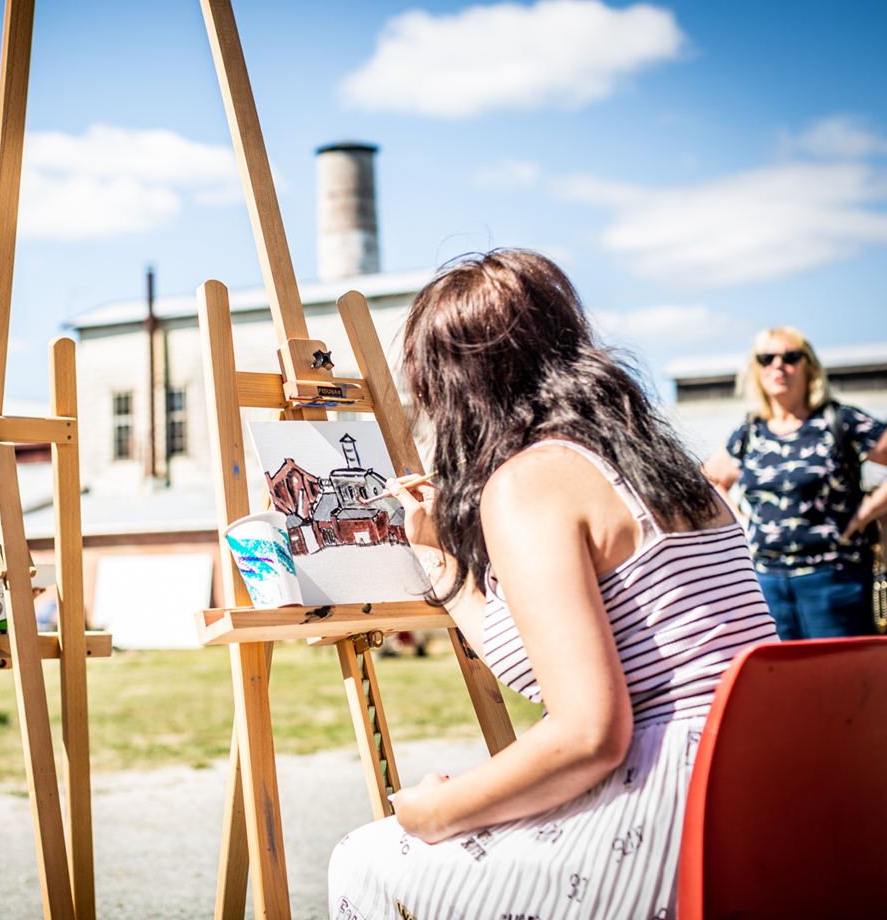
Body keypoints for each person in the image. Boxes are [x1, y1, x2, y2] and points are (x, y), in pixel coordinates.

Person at [328, 251, 778, 920]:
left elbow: (590, 734)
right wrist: (439, 563)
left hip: (675, 808)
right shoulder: (657, 466)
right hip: (763, 789)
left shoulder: (530, 482)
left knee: (365, 861)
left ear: (457, 385)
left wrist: (437, 810)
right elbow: (559, 669)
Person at [702, 328, 887, 639]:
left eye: (790, 357)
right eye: (766, 359)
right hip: (766, 583)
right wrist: (744, 522)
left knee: (836, 680)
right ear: (756, 370)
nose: (778, 366)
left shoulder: (840, 420)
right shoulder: (749, 431)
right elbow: (708, 481)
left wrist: (866, 511)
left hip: (833, 580)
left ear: (809, 366)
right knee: (782, 682)